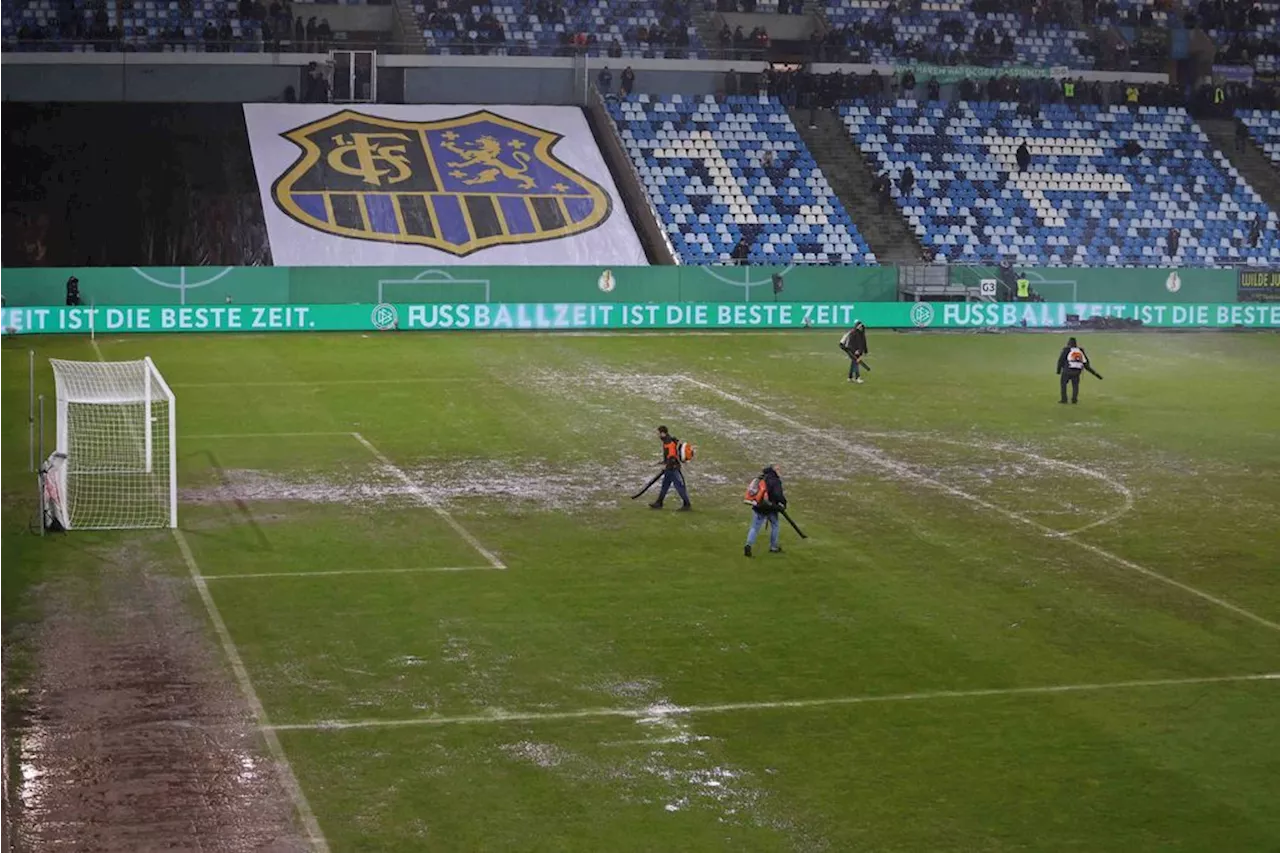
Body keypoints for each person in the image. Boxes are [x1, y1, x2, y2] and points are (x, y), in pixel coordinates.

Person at [743, 464, 786, 557]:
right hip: (771, 508)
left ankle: (748, 545)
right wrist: (783, 503)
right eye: (779, 470)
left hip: (758, 506)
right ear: (774, 470)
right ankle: (773, 547)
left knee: (754, 527)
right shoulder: (775, 480)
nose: (780, 471)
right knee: (775, 525)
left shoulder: (761, 478)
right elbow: (778, 495)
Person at [650, 425, 691, 511]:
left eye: (658, 433)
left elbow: (672, 457)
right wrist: (659, 463)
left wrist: (666, 465)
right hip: (670, 468)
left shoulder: (669, 443)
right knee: (665, 486)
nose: (657, 435)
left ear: (663, 433)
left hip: (672, 469)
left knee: (679, 486)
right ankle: (659, 502)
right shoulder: (667, 441)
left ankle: (687, 504)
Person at [1056, 336, 1102, 404]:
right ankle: (1074, 400)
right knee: (1075, 386)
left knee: (1063, 384)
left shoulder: (1066, 350)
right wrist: (1096, 374)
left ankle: (1064, 399)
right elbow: (1086, 363)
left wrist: (1058, 370)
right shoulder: (1080, 351)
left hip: (1067, 370)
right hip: (1077, 371)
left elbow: (1061, 360)